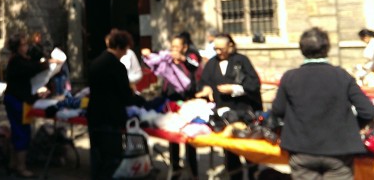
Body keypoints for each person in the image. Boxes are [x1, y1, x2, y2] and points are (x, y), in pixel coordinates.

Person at [272, 27, 374, 180]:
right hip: (339, 149)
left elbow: (278, 110)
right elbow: (368, 112)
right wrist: (352, 127)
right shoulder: (341, 76)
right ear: (327, 49)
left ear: (302, 49)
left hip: (301, 148)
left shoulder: (290, 77)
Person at [195, 33, 262, 180]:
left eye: (221, 49)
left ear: (230, 46)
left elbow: (254, 84)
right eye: (216, 49)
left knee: (249, 150)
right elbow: (203, 82)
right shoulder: (212, 63)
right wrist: (206, 89)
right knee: (230, 153)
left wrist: (234, 88)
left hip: (243, 112)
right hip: (224, 115)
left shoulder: (242, 60)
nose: (218, 52)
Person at [142, 33, 201, 179]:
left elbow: (195, 65)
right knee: (173, 137)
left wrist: (182, 59)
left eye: (176, 46)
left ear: (184, 47)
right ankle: (175, 168)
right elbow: (152, 63)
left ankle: (193, 173)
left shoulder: (190, 58)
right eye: (172, 46)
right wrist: (148, 55)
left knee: (189, 139)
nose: (173, 49)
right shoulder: (167, 59)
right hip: (170, 102)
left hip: (186, 103)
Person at [87, 29, 142, 180]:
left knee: (96, 157)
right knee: (111, 160)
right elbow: (125, 96)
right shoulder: (117, 67)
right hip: (111, 117)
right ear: (119, 47)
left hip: (94, 115)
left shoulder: (95, 63)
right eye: (125, 50)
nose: (125, 54)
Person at [3, 33, 56, 178]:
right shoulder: (17, 61)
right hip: (17, 101)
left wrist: (36, 95)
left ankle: (13, 163)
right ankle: (21, 167)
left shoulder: (18, 60)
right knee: (22, 132)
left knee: (17, 130)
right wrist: (49, 63)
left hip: (17, 98)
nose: (27, 47)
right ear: (18, 47)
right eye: (24, 44)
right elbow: (32, 68)